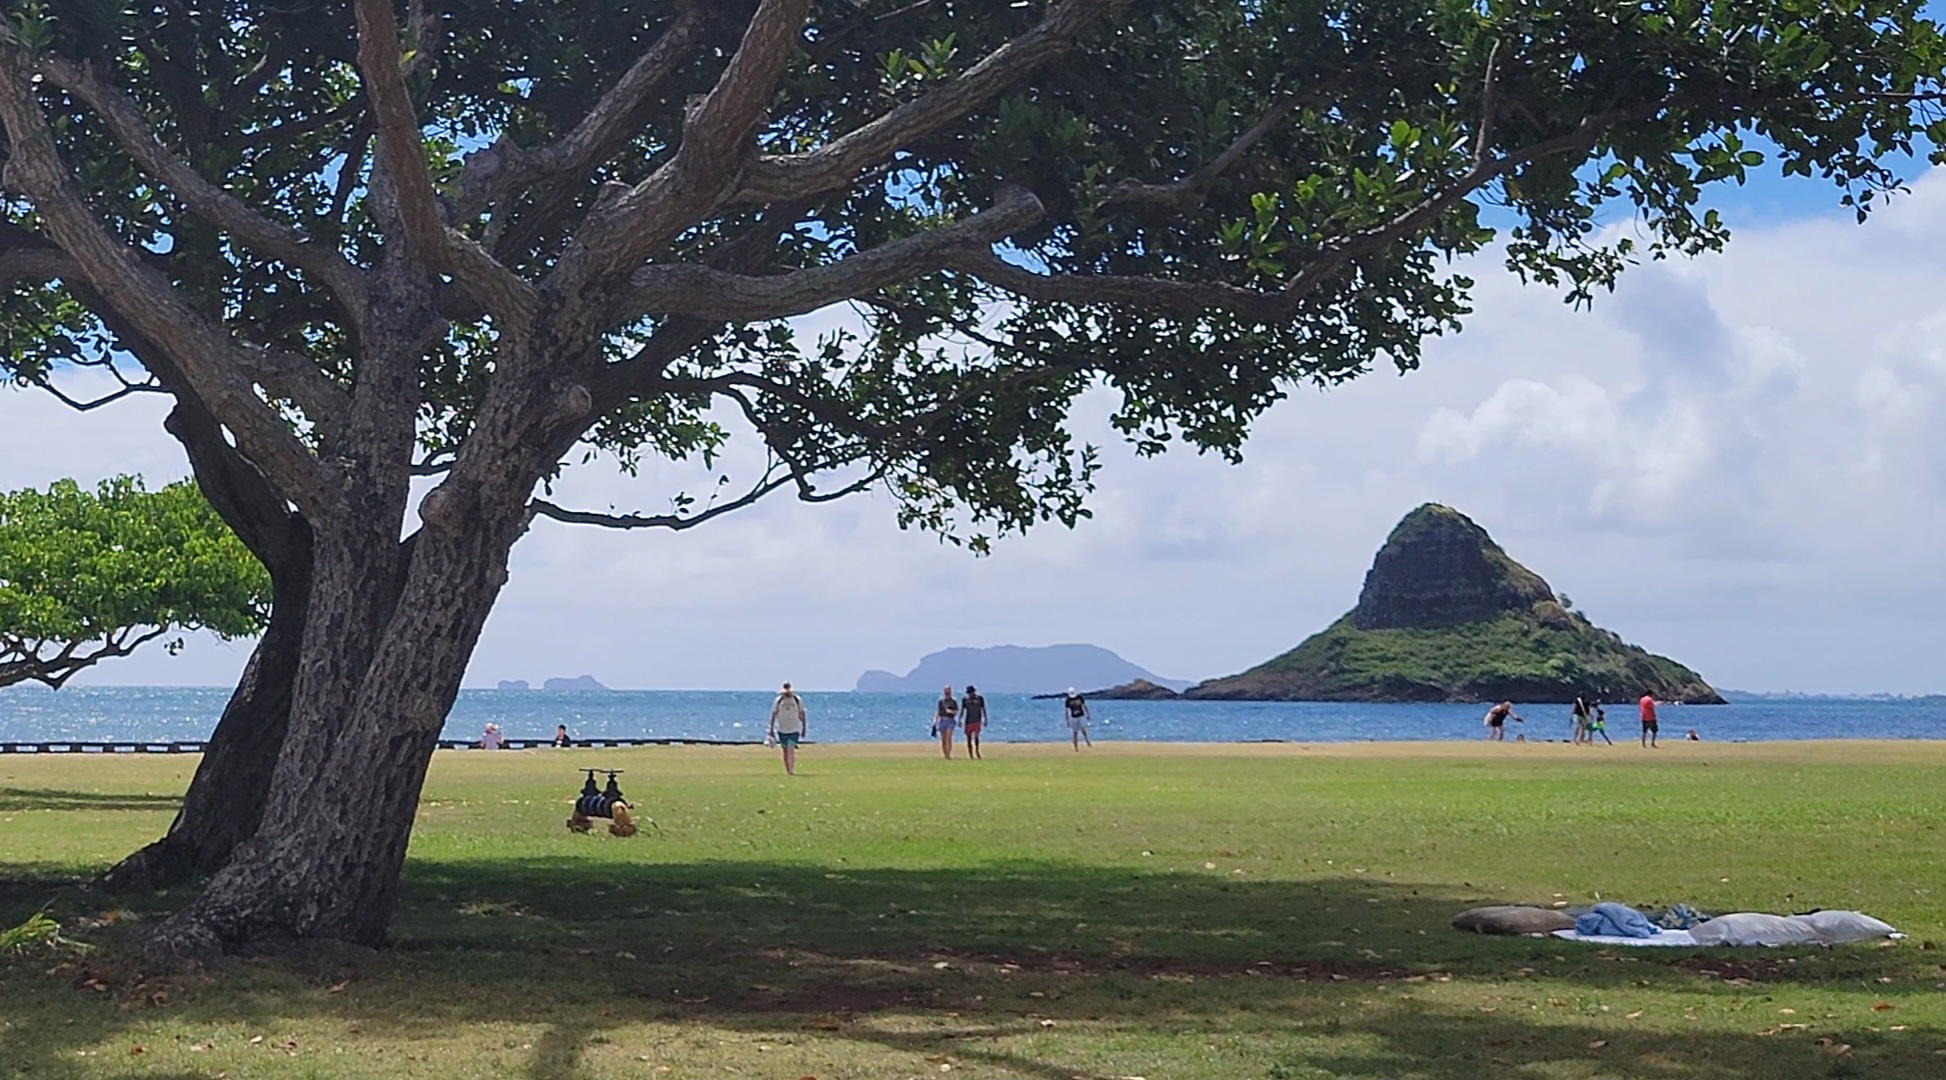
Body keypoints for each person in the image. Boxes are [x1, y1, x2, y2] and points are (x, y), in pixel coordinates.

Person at [768, 681, 808, 775]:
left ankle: (791, 770)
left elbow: (802, 714)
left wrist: (804, 728)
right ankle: (787, 769)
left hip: (794, 729)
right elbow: (774, 714)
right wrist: (771, 729)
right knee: (785, 751)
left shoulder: (797, 700)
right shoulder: (778, 701)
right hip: (782, 729)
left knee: (791, 749)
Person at [932, 685, 960, 759]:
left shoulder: (953, 701)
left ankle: (949, 754)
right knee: (943, 739)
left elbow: (956, 711)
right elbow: (938, 712)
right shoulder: (941, 702)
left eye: (948, 690)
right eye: (946, 691)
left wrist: (951, 711)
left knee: (949, 737)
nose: (947, 692)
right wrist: (935, 722)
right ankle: (945, 754)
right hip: (942, 720)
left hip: (950, 720)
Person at [961, 684, 987, 760]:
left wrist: (985, 719)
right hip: (968, 721)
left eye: (971, 693)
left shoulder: (979, 699)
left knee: (976, 737)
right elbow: (963, 710)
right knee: (968, 738)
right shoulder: (965, 700)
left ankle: (977, 751)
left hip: (977, 720)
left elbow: (983, 709)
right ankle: (970, 754)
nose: (970, 694)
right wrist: (960, 719)